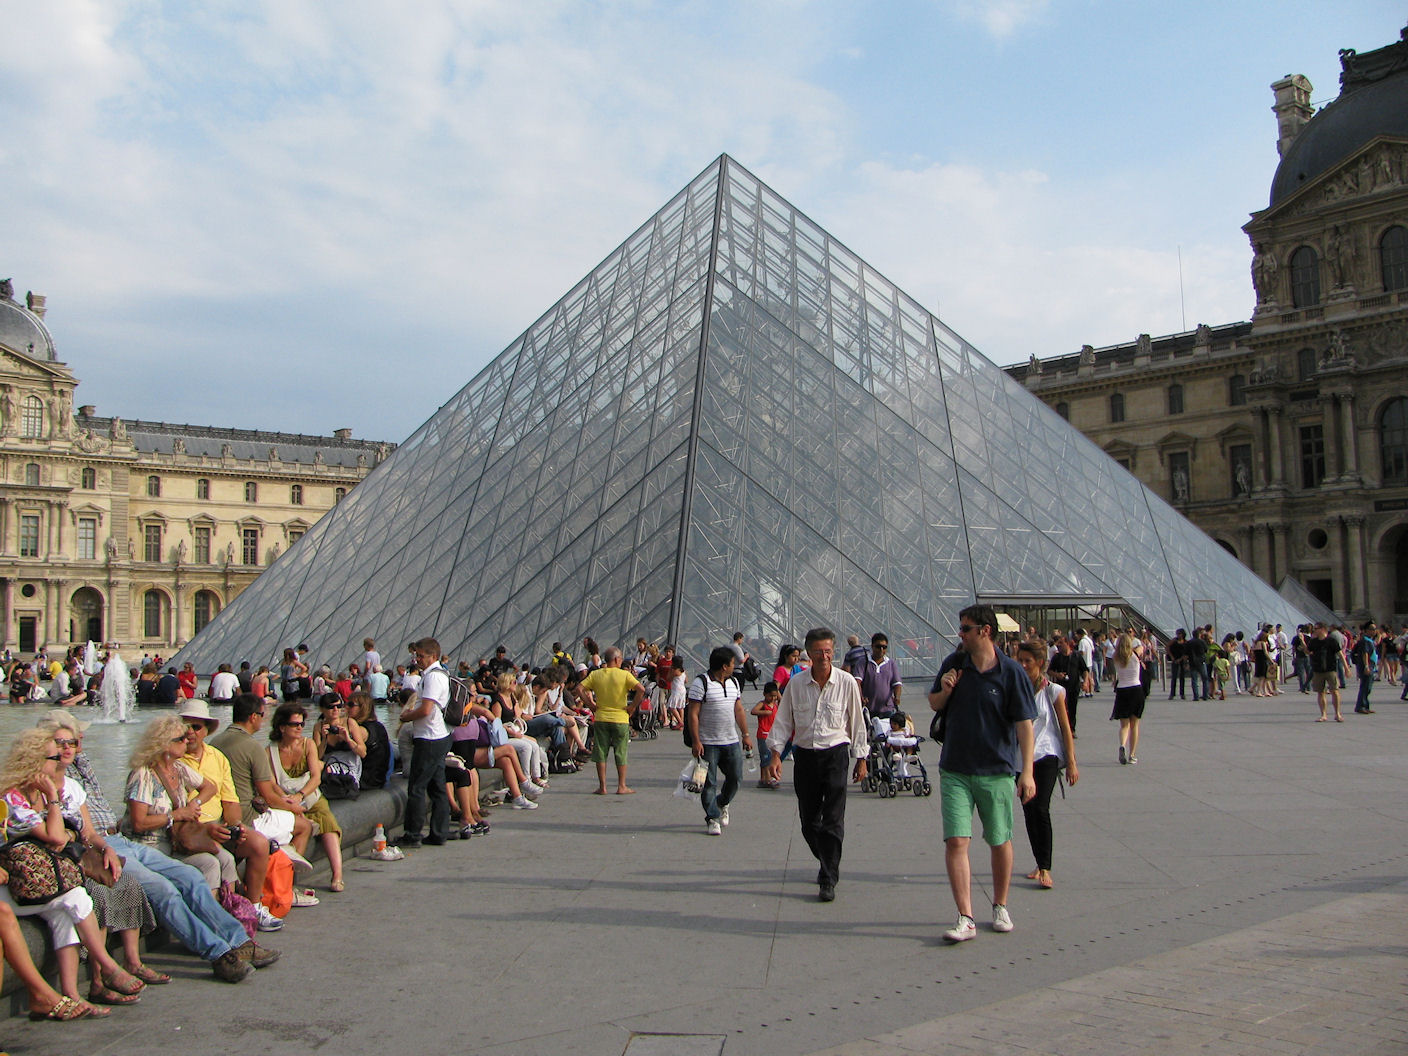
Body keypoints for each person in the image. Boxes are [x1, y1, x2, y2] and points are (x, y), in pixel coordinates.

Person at [44, 712, 275, 982]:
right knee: (165, 889)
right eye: (64, 743)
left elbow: (93, 826)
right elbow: (131, 824)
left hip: (118, 840)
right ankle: (219, 953)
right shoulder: (136, 774)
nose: (188, 740)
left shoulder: (78, 774)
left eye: (74, 741)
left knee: (190, 876)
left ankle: (240, 943)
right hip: (126, 844)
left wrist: (193, 807)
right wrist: (178, 815)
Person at [0, 729, 147, 1010]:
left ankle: (72, 996)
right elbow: (56, 837)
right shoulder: (13, 797)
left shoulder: (38, 792)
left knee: (64, 914)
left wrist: (52, 801)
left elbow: (68, 833)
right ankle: (107, 965)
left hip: (37, 882)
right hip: (17, 887)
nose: (58, 762)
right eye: (52, 757)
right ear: (33, 760)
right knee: (75, 897)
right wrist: (53, 798)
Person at [927, 605, 1036, 942]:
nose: (960, 633)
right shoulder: (954, 664)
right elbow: (933, 703)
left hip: (996, 769)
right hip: (955, 767)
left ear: (985, 631)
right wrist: (946, 691)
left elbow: (1024, 726)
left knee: (999, 839)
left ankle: (1000, 905)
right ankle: (966, 916)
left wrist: (1027, 771)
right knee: (957, 840)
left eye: (966, 628)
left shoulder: (1011, 672)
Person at [43, 720, 166, 1002]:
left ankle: (133, 961)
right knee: (97, 895)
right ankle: (99, 980)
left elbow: (89, 831)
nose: (66, 749)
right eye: (59, 743)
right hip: (63, 863)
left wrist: (106, 849)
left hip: (84, 854)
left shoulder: (73, 786)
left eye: (71, 743)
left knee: (127, 882)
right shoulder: (40, 785)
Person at [764, 628, 867, 903]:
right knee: (809, 823)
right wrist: (776, 755)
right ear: (808, 653)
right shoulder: (796, 684)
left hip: (836, 755)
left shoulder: (846, 682)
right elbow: (784, 721)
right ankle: (827, 859)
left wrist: (862, 759)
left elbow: (857, 722)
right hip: (806, 756)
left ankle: (828, 877)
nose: (824, 656)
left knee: (833, 820)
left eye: (829, 651)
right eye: (819, 651)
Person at [178, 700, 280, 928]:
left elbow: (230, 800)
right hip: (190, 830)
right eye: (186, 727)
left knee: (258, 843)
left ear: (206, 730)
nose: (191, 733)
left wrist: (234, 825)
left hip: (219, 826)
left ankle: (253, 906)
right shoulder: (174, 759)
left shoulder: (217, 757)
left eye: (196, 727)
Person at [208, 694, 317, 881]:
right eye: (262, 715)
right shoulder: (252, 747)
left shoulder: (214, 742)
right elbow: (268, 794)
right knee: (304, 826)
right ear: (253, 717)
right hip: (248, 817)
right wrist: (293, 808)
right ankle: (286, 886)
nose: (264, 719)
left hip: (219, 815)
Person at [1014, 639, 1078, 890]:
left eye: (1027, 661)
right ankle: (1039, 861)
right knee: (1029, 811)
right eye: (1020, 660)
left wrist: (1071, 762)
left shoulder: (1054, 691)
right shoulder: (1016, 690)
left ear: (1040, 663)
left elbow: (1065, 727)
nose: (1022, 664)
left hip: (1047, 754)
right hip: (1022, 759)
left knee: (1041, 808)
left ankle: (1045, 867)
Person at [267, 703, 346, 892]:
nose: (300, 728)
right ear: (281, 727)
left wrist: (300, 795)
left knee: (328, 823)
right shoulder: (269, 751)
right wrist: (287, 799)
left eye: (302, 724)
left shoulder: (308, 744)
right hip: (285, 800)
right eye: (295, 725)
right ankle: (287, 882)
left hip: (310, 796)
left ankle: (337, 875)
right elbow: (271, 784)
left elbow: (316, 777)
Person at [687, 647, 753, 836]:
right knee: (708, 783)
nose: (736, 666)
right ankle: (712, 818)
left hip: (730, 741)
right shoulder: (701, 683)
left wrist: (746, 734)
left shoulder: (733, 682)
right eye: (733, 663)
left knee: (736, 778)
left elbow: (738, 709)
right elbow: (693, 714)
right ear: (724, 666)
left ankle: (722, 802)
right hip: (708, 743)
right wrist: (696, 741)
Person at [396, 638, 452, 846]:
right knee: (437, 786)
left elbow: (426, 710)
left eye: (421, 656)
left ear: (433, 656)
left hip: (429, 738)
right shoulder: (436, 675)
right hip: (437, 736)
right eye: (416, 655)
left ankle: (412, 834)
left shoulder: (432, 678)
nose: (417, 659)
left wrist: (406, 716)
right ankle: (439, 833)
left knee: (417, 788)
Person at [572, 647, 644, 795]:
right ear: (617, 659)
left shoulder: (596, 674)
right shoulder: (624, 675)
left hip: (601, 718)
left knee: (601, 752)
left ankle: (602, 787)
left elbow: (579, 688)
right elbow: (641, 689)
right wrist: (632, 707)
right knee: (621, 752)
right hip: (620, 718)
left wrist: (591, 705)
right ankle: (621, 786)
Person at [858, 633, 902, 720]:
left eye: (884, 647)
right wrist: (861, 696)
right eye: (878, 647)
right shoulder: (863, 662)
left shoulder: (891, 663)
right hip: (868, 709)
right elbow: (857, 682)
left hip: (887, 709)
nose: (881, 650)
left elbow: (897, 684)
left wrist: (897, 697)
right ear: (872, 646)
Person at [751, 680, 782, 789]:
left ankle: (765, 778)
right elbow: (753, 711)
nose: (773, 698)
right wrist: (765, 712)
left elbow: (782, 701)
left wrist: (777, 694)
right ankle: (767, 778)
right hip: (763, 734)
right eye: (771, 696)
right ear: (765, 694)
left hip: (773, 734)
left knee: (770, 757)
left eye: (775, 696)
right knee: (765, 757)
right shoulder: (763, 704)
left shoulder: (775, 705)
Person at [1351, 621, 1378, 715]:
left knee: (1368, 687)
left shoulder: (1369, 640)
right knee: (1365, 687)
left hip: (1371, 666)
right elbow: (1365, 654)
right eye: (1372, 629)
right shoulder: (1365, 641)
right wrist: (1366, 666)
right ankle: (1360, 706)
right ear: (1366, 630)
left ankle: (1365, 706)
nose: (1374, 631)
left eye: (1375, 629)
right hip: (1366, 667)